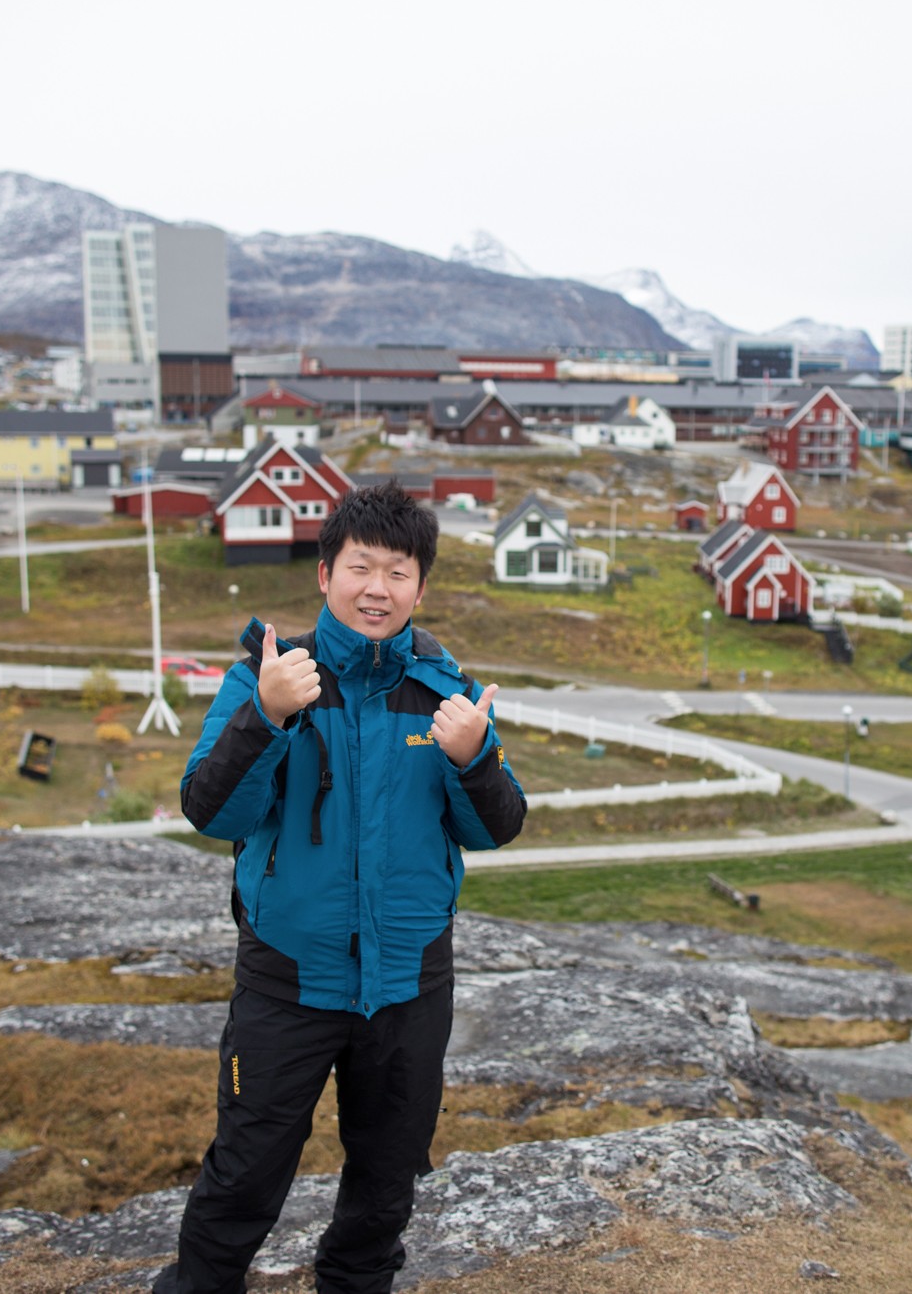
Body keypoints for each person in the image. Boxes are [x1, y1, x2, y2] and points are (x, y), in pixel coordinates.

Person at [157, 482, 526, 1294]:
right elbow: (210, 810)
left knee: (386, 1184)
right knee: (245, 1172)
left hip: (407, 984)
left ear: (419, 588)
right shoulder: (272, 677)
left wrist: (477, 757)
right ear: (325, 574)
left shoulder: (443, 692)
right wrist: (266, 713)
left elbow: (496, 826)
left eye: (398, 572)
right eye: (361, 566)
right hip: (288, 980)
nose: (377, 587)